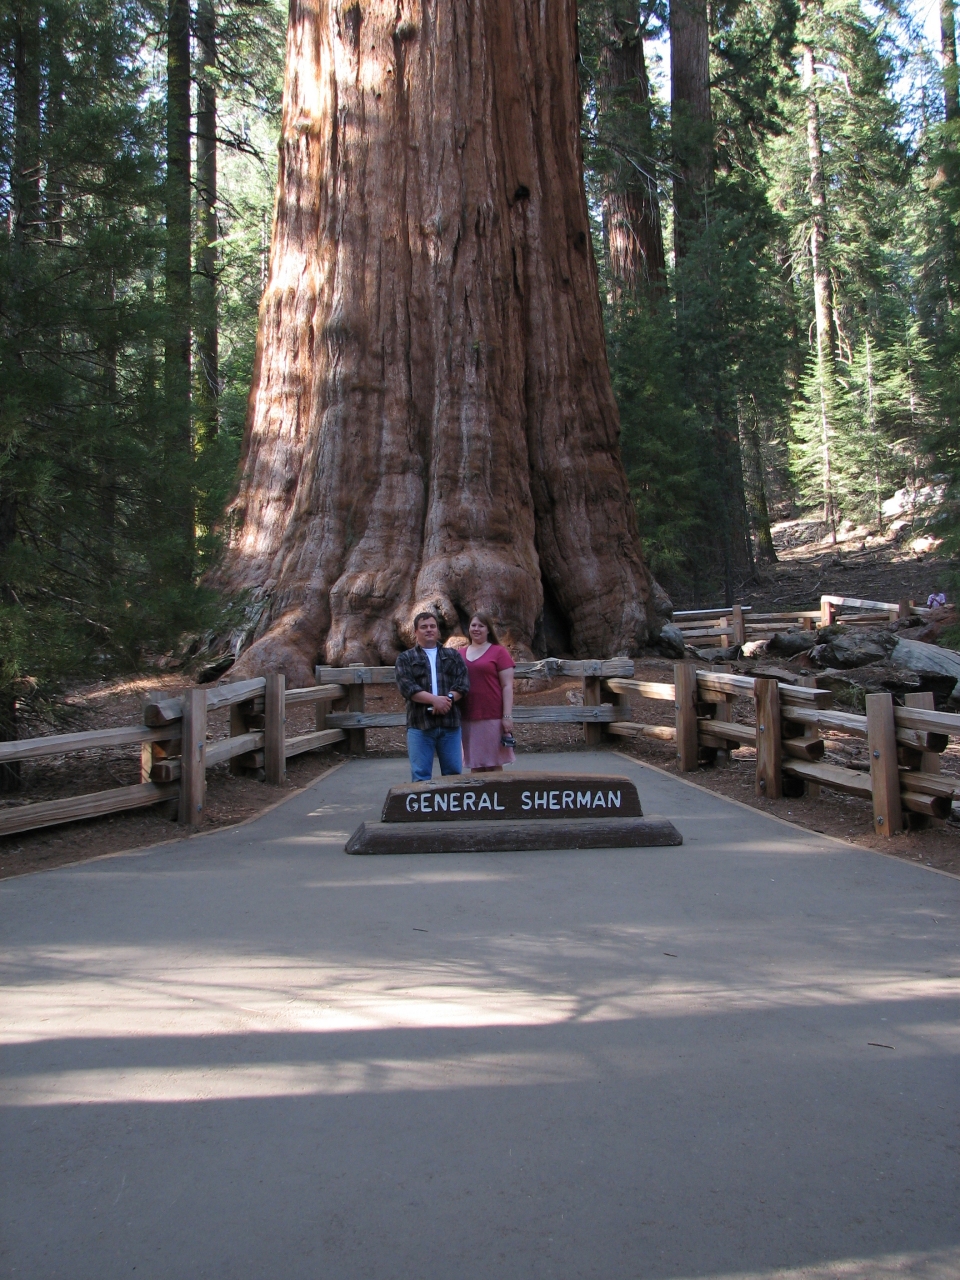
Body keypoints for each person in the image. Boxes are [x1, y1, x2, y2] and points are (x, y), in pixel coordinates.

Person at [395, 612, 470, 782]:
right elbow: (408, 687)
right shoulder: (405, 658)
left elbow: (463, 684)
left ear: (437, 630)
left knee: (453, 775)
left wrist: (447, 699)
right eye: (424, 627)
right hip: (420, 725)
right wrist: (434, 700)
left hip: (449, 725)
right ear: (415, 631)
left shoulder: (453, 656)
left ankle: (450, 809)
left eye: (432, 626)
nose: (429, 630)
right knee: (420, 775)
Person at [461, 612, 515, 772]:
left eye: (481, 626)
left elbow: (507, 686)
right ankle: (478, 797)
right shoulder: (460, 654)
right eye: (473, 625)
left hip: (492, 716)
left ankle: (497, 795)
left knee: (493, 763)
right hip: (468, 715)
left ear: (488, 630)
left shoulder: (499, 652)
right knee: (475, 764)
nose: (476, 629)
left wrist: (507, 716)